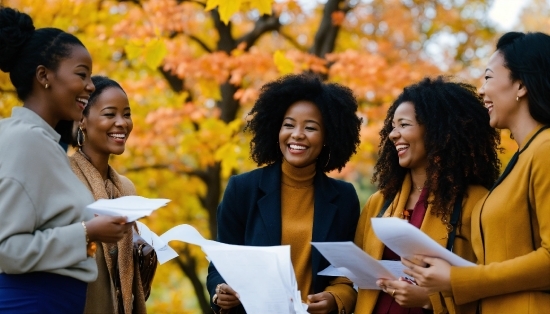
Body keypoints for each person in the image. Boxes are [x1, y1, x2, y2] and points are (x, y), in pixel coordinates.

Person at [403, 32, 550, 313]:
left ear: (521, 85)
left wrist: (458, 278)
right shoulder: (522, 158)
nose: (481, 90)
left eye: (488, 78)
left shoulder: (545, 149)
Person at [0, 7, 132, 313]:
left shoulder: (45, 143)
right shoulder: (26, 140)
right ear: (44, 75)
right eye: (81, 74)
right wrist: (89, 232)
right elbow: (6, 248)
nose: (90, 86)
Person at [206, 74, 362, 314]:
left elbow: (346, 273)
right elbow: (220, 264)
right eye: (288, 125)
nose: (297, 134)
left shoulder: (344, 197)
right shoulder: (242, 189)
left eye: (310, 127)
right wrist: (221, 291)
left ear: (328, 137)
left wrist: (337, 298)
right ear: (275, 129)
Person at [354, 77, 501, 314]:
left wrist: (429, 299)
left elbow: (490, 284)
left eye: (404, 125)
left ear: (437, 131)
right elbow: (355, 276)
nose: (393, 134)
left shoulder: (478, 202)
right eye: (393, 126)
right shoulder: (379, 203)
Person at [68, 75, 152, 314]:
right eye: (109, 114)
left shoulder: (125, 188)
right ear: (82, 119)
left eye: (126, 114)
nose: (122, 123)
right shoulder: (64, 177)